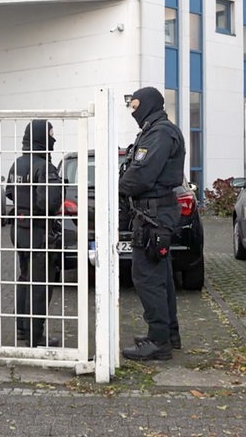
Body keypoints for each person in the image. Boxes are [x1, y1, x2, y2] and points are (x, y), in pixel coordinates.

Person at [119, 86, 186, 361]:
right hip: (155, 214)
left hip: (154, 216)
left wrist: (118, 187)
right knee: (161, 277)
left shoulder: (159, 132)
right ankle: (168, 334)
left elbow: (141, 176)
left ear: (147, 104)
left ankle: (159, 342)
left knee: (146, 277)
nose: (133, 111)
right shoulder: (154, 130)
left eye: (135, 105)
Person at [6, 120, 62, 347]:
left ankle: (22, 328)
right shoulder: (44, 166)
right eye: (50, 134)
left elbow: (9, 191)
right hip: (38, 230)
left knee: (25, 277)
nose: (54, 139)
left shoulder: (17, 163)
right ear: (41, 137)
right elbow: (49, 201)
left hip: (18, 229)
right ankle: (35, 336)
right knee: (40, 283)